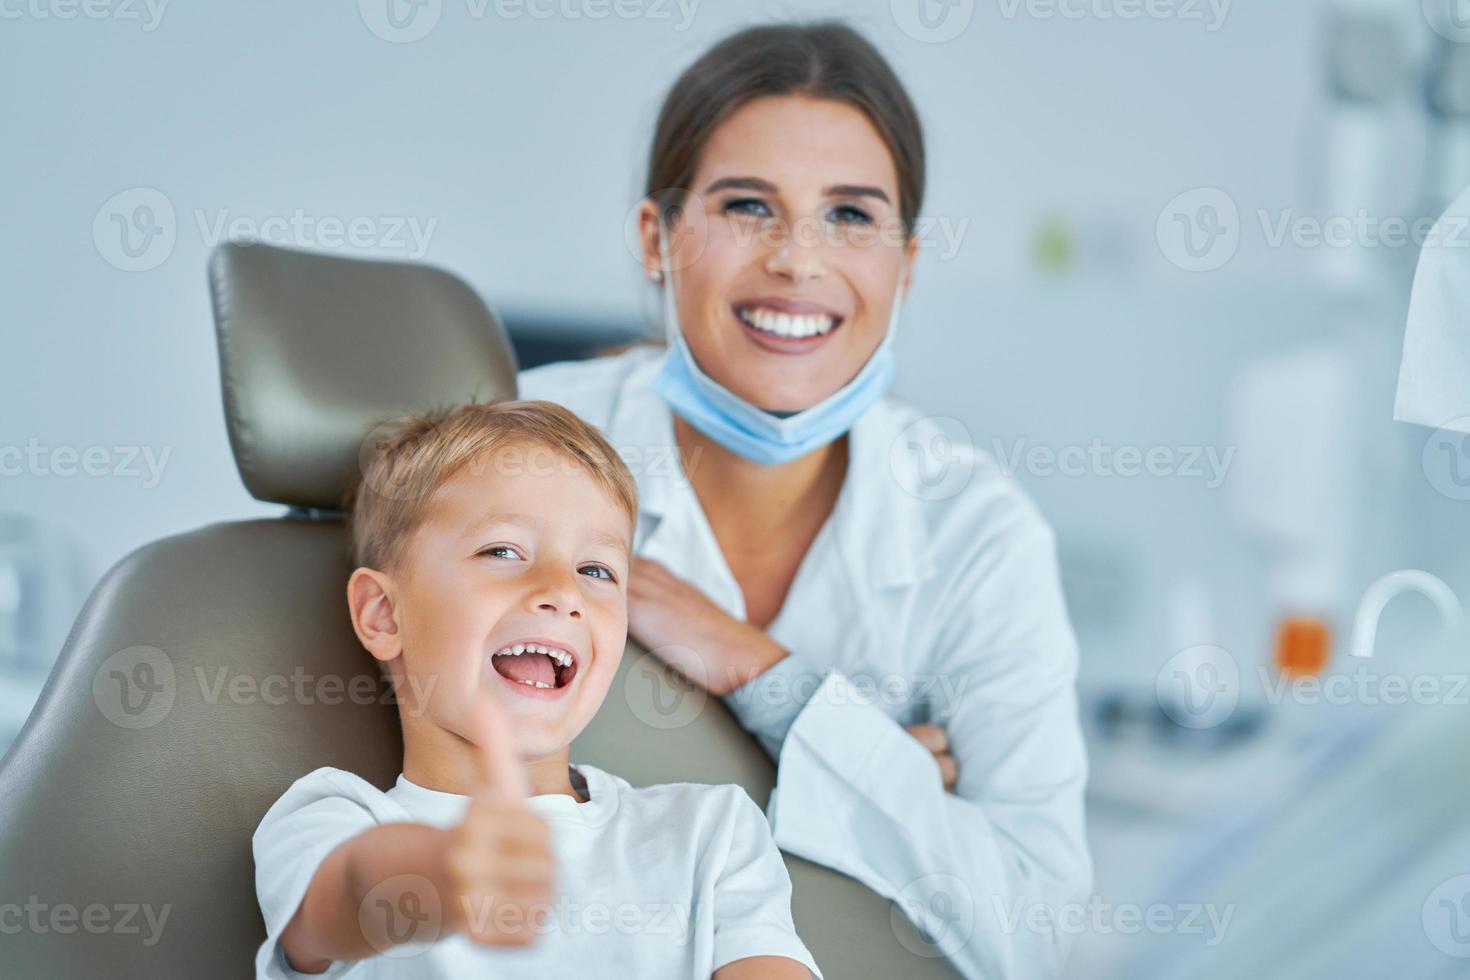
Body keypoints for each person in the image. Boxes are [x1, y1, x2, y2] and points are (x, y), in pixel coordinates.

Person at [516, 21, 1092, 978]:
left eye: (852, 216)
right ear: (658, 238)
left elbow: (1041, 931)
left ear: (904, 264)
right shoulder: (525, 452)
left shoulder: (976, 530)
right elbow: (442, 774)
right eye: (748, 205)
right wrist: (883, 778)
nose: (798, 260)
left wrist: (766, 681)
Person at [251, 400, 821, 979]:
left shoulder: (709, 831)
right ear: (384, 615)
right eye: (503, 551)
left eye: (596, 570)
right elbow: (341, 901)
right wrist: (444, 874)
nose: (562, 591)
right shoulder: (334, 820)